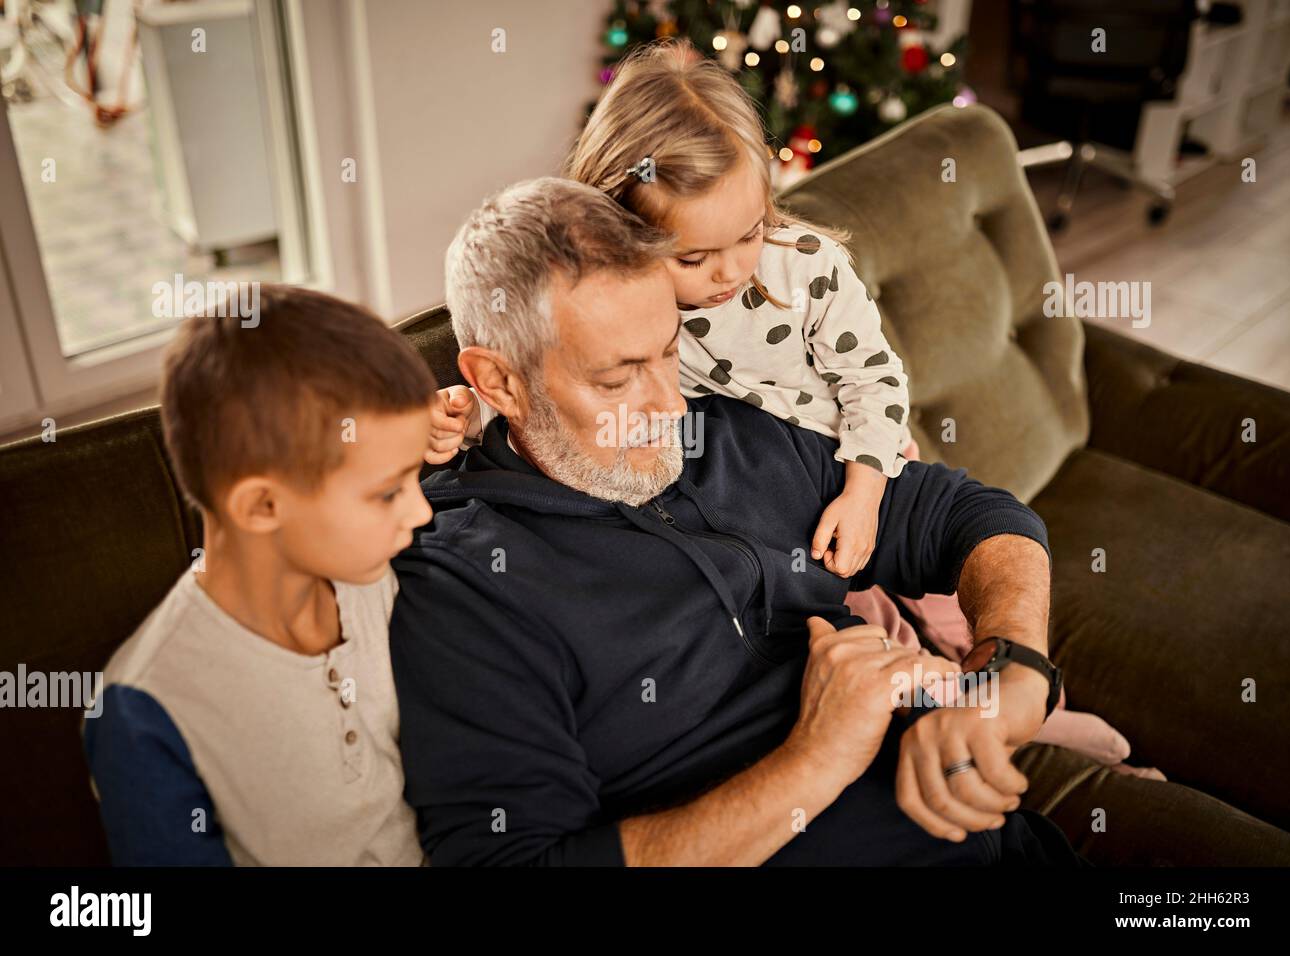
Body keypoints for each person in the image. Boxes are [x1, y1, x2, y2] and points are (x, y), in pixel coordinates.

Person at [391, 177, 1084, 866]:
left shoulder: (729, 433)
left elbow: (969, 514)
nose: (670, 408)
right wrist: (819, 757)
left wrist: (1014, 670)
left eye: (668, 351)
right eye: (617, 379)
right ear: (499, 382)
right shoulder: (464, 586)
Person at [83, 286, 436, 865]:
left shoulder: (370, 576)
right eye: (389, 491)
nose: (420, 512)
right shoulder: (144, 710)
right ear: (261, 507)